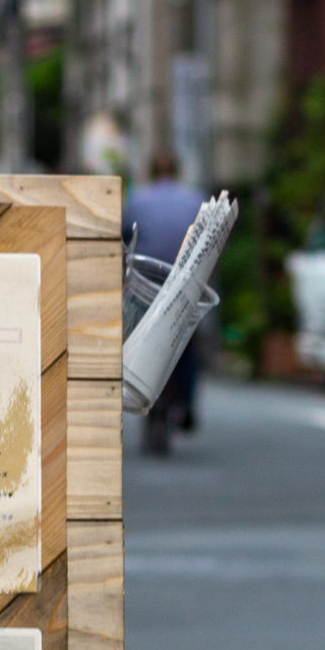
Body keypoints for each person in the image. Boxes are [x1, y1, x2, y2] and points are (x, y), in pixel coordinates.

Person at [125, 153, 209, 450]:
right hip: (186, 285)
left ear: (150, 171)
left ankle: (140, 393)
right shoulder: (197, 200)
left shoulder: (137, 201)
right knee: (186, 347)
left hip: (147, 284)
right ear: (178, 170)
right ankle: (185, 404)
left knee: (141, 339)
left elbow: (125, 238)